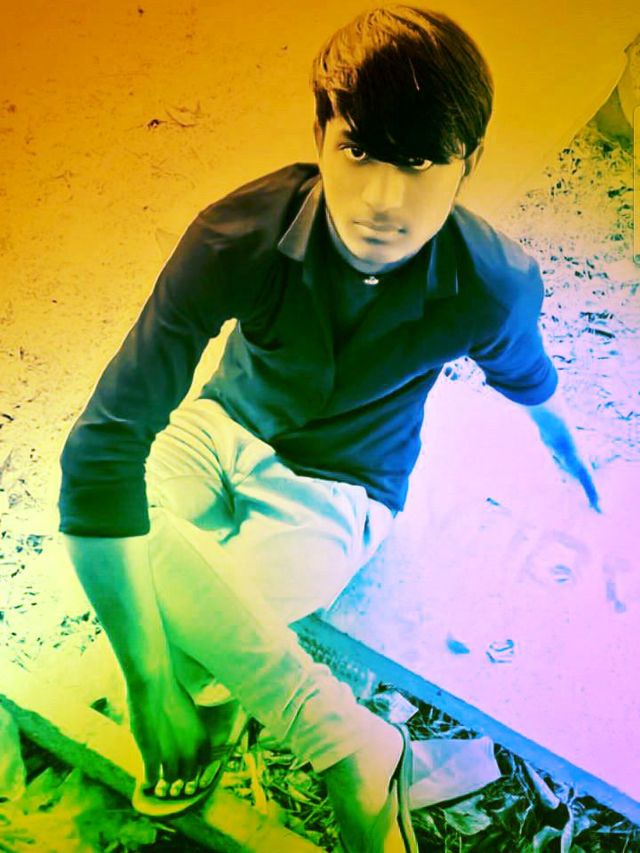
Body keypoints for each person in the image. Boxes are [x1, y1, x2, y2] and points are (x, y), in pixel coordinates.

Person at [58, 5, 599, 851]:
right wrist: (144, 685)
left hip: (342, 488)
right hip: (214, 430)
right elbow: (101, 449)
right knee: (139, 573)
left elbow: (527, 375)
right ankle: (356, 747)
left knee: (184, 634)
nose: (382, 198)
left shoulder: (489, 282)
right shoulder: (238, 233)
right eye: (357, 151)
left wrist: (566, 451)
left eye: (418, 163)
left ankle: (294, 724)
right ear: (319, 137)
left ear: (467, 162)